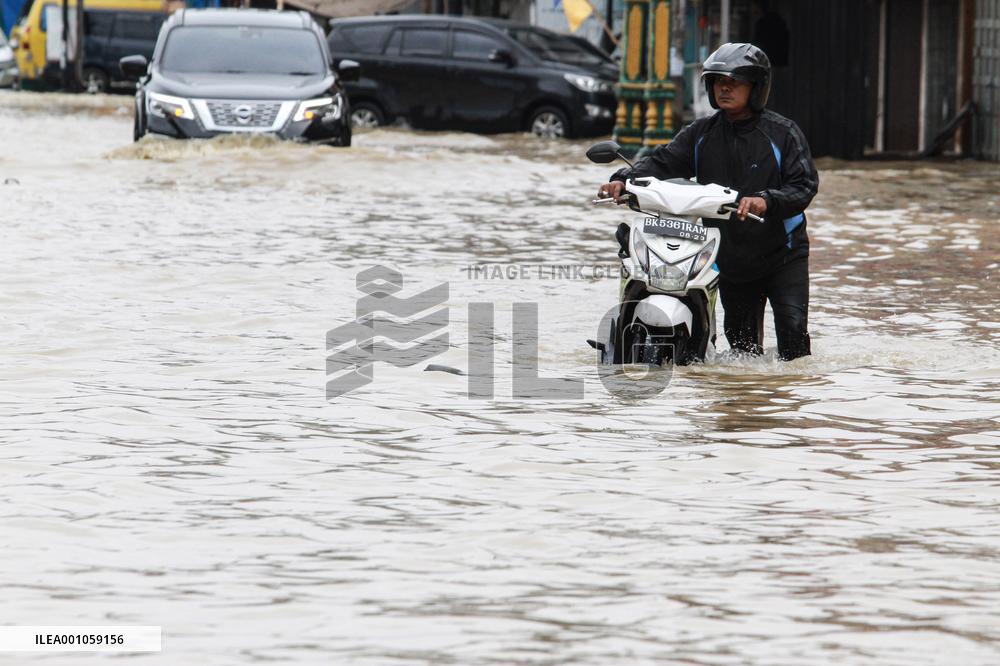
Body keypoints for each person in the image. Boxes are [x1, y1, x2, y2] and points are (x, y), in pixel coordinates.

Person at [597, 43, 818, 361]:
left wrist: (765, 201)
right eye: (717, 82)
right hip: (730, 257)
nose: (724, 88)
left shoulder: (784, 134)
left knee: (794, 341)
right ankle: (743, 407)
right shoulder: (701, 133)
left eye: (734, 82)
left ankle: (787, 404)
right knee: (742, 353)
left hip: (782, 254)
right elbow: (662, 161)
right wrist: (622, 180)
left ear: (756, 88)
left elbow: (805, 186)